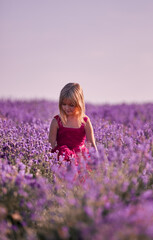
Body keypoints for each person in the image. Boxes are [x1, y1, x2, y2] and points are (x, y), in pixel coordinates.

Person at [49, 83, 97, 163]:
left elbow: (91, 144)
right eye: (64, 104)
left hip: (80, 157)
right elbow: (51, 145)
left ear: (79, 104)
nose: (67, 108)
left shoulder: (85, 121)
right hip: (62, 157)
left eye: (71, 105)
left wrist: (98, 162)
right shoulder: (56, 121)